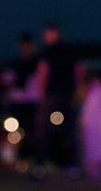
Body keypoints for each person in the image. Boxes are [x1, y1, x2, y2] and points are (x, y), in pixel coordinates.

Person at [33, 21, 85, 175]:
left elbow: (43, 73)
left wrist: (41, 96)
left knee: (42, 129)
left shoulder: (48, 52)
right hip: (67, 96)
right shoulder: (69, 51)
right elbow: (79, 71)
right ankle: (74, 166)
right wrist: (77, 91)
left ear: (54, 33)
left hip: (53, 96)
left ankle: (40, 165)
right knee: (70, 131)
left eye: (47, 34)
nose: (45, 37)